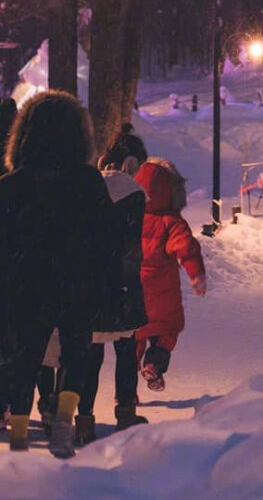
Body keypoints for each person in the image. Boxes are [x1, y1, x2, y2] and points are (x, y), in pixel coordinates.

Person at [0, 91, 117, 458]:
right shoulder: (88, 181)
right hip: (76, 278)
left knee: (24, 356)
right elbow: (105, 237)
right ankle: (65, 415)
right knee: (76, 351)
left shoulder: (12, 185)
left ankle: (19, 433)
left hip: (25, 282)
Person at [75, 125, 149, 442]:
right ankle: (125, 415)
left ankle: (85, 418)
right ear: (131, 163)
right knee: (125, 350)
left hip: (92, 284)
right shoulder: (133, 195)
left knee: (90, 357)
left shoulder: (87, 190)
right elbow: (132, 246)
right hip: (122, 285)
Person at [134, 156, 206, 393]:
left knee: (133, 337)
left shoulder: (130, 217)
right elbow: (185, 246)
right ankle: (154, 364)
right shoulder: (171, 221)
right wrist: (195, 272)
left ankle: (125, 393)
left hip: (133, 289)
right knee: (167, 330)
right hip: (163, 294)